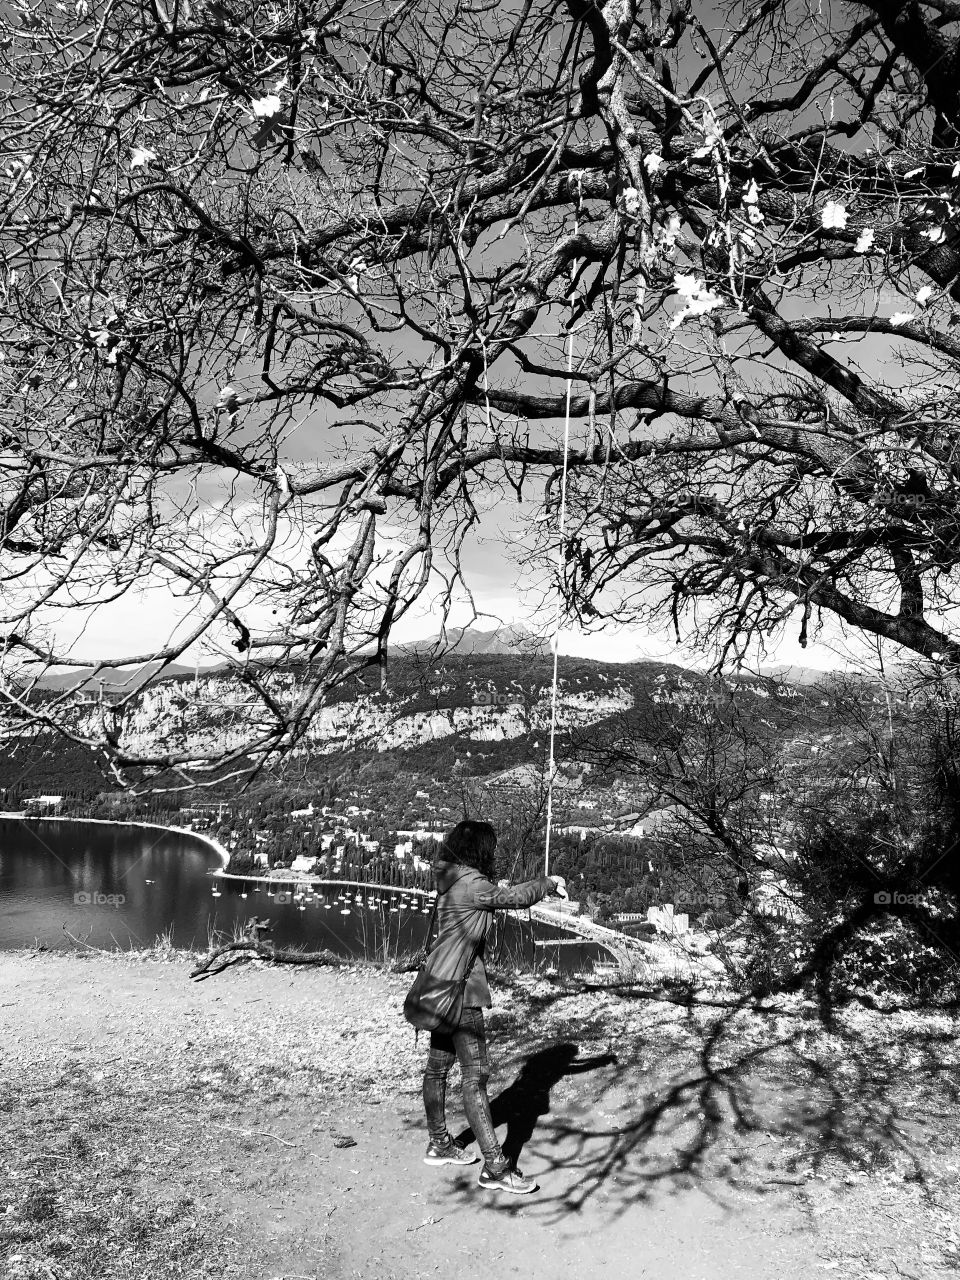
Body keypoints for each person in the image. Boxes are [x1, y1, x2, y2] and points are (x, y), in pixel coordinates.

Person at [420, 819, 566, 1195]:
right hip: (461, 990)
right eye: (491, 847)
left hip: (437, 984)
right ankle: (497, 1169)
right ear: (480, 850)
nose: (495, 853)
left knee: (438, 1068)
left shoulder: (450, 878)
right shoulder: (472, 885)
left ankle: (439, 1143)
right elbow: (513, 897)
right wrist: (548, 882)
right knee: (476, 1076)